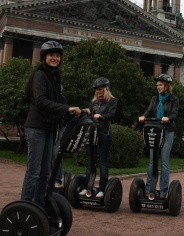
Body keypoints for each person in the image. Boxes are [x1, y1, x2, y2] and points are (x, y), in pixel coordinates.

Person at [21, 41, 81, 208]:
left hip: (49, 128)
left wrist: (78, 110)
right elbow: (40, 100)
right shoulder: (40, 74)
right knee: (34, 171)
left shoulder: (54, 76)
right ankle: (25, 206)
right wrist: (66, 108)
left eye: (57, 55)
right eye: (51, 55)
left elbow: (59, 100)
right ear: (44, 57)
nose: (55, 58)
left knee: (46, 172)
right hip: (36, 127)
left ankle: (39, 205)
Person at [138, 74, 179, 199]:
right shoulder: (154, 99)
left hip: (167, 131)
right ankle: (149, 188)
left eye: (160, 85)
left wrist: (168, 118)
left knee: (164, 161)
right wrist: (143, 116)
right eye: (157, 85)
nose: (158, 87)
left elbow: (174, 114)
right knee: (152, 161)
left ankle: (163, 191)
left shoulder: (173, 99)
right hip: (155, 131)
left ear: (167, 86)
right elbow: (149, 111)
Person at [79, 77, 117, 198]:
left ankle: (102, 188)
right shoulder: (94, 102)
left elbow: (111, 115)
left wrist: (101, 116)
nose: (98, 91)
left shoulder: (112, 101)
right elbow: (90, 111)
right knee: (90, 162)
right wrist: (82, 111)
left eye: (100, 89)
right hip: (92, 133)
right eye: (96, 89)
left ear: (106, 89)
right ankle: (87, 187)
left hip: (104, 133)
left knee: (103, 162)